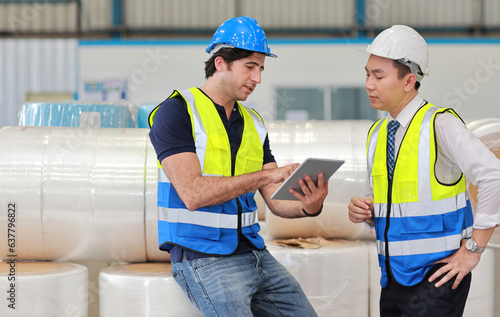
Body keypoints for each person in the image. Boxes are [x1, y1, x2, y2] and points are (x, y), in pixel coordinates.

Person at [148, 16, 326, 317]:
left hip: (256, 253)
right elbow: (192, 194)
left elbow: (276, 200)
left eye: (261, 69)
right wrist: (267, 174)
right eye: (250, 67)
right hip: (202, 256)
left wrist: (309, 206)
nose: (257, 79)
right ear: (221, 63)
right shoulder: (177, 111)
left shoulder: (254, 123)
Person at [348, 24, 500, 317]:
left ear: (408, 81)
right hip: (392, 276)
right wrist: (367, 212)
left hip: (436, 278)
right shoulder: (378, 133)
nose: (368, 84)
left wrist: (473, 250)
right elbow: (391, 202)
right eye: (367, 74)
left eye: (378, 76)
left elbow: (493, 174)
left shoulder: (439, 124)